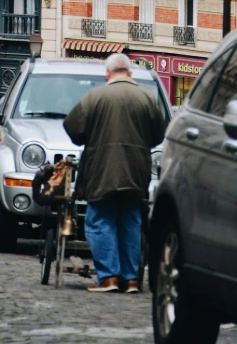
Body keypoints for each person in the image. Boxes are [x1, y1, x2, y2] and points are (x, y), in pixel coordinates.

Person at [63, 52, 167, 293]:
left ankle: (108, 277)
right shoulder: (147, 98)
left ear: (107, 74)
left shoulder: (95, 97)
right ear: (130, 73)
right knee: (131, 221)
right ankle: (131, 279)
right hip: (136, 170)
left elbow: (73, 129)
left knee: (99, 220)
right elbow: (158, 135)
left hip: (102, 169)